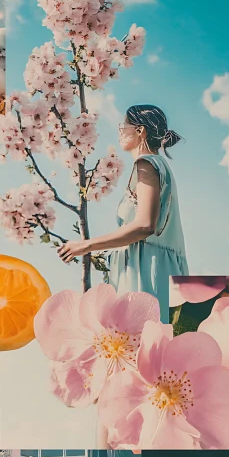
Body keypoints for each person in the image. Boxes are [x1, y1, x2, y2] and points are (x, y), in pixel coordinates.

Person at [58, 104, 188, 323]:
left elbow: (145, 225)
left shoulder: (146, 164)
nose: (120, 131)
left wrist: (86, 245)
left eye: (123, 126)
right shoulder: (161, 167)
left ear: (140, 131)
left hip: (146, 273)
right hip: (159, 269)